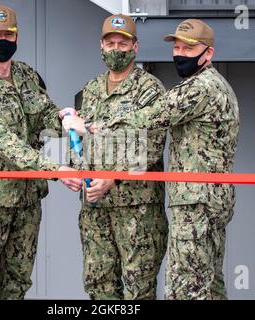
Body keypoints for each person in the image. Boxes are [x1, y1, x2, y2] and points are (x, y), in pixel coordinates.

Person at [64, 19, 240, 300]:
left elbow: (151, 119)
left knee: (185, 290)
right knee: (208, 285)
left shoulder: (200, 87)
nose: (180, 53)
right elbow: (82, 145)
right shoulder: (92, 88)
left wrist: (94, 125)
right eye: (177, 47)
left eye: (189, 48)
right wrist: (70, 164)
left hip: (187, 202)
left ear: (209, 53)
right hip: (200, 199)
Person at [0, 5, 82, 300]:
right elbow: (5, 143)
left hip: (26, 200)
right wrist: (56, 169)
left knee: (17, 282)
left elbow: (45, 117)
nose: (3, 39)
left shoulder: (27, 75)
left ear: (17, 37)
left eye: (8, 34)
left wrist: (66, 118)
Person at [64, 14, 168, 300]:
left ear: (135, 46)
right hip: (95, 210)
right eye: (110, 43)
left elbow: (152, 144)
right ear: (101, 45)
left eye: (123, 43)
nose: (115, 49)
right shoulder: (90, 90)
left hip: (137, 211)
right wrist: (71, 169)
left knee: (139, 291)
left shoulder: (150, 90)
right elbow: (80, 138)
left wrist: (113, 177)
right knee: (99, 287)